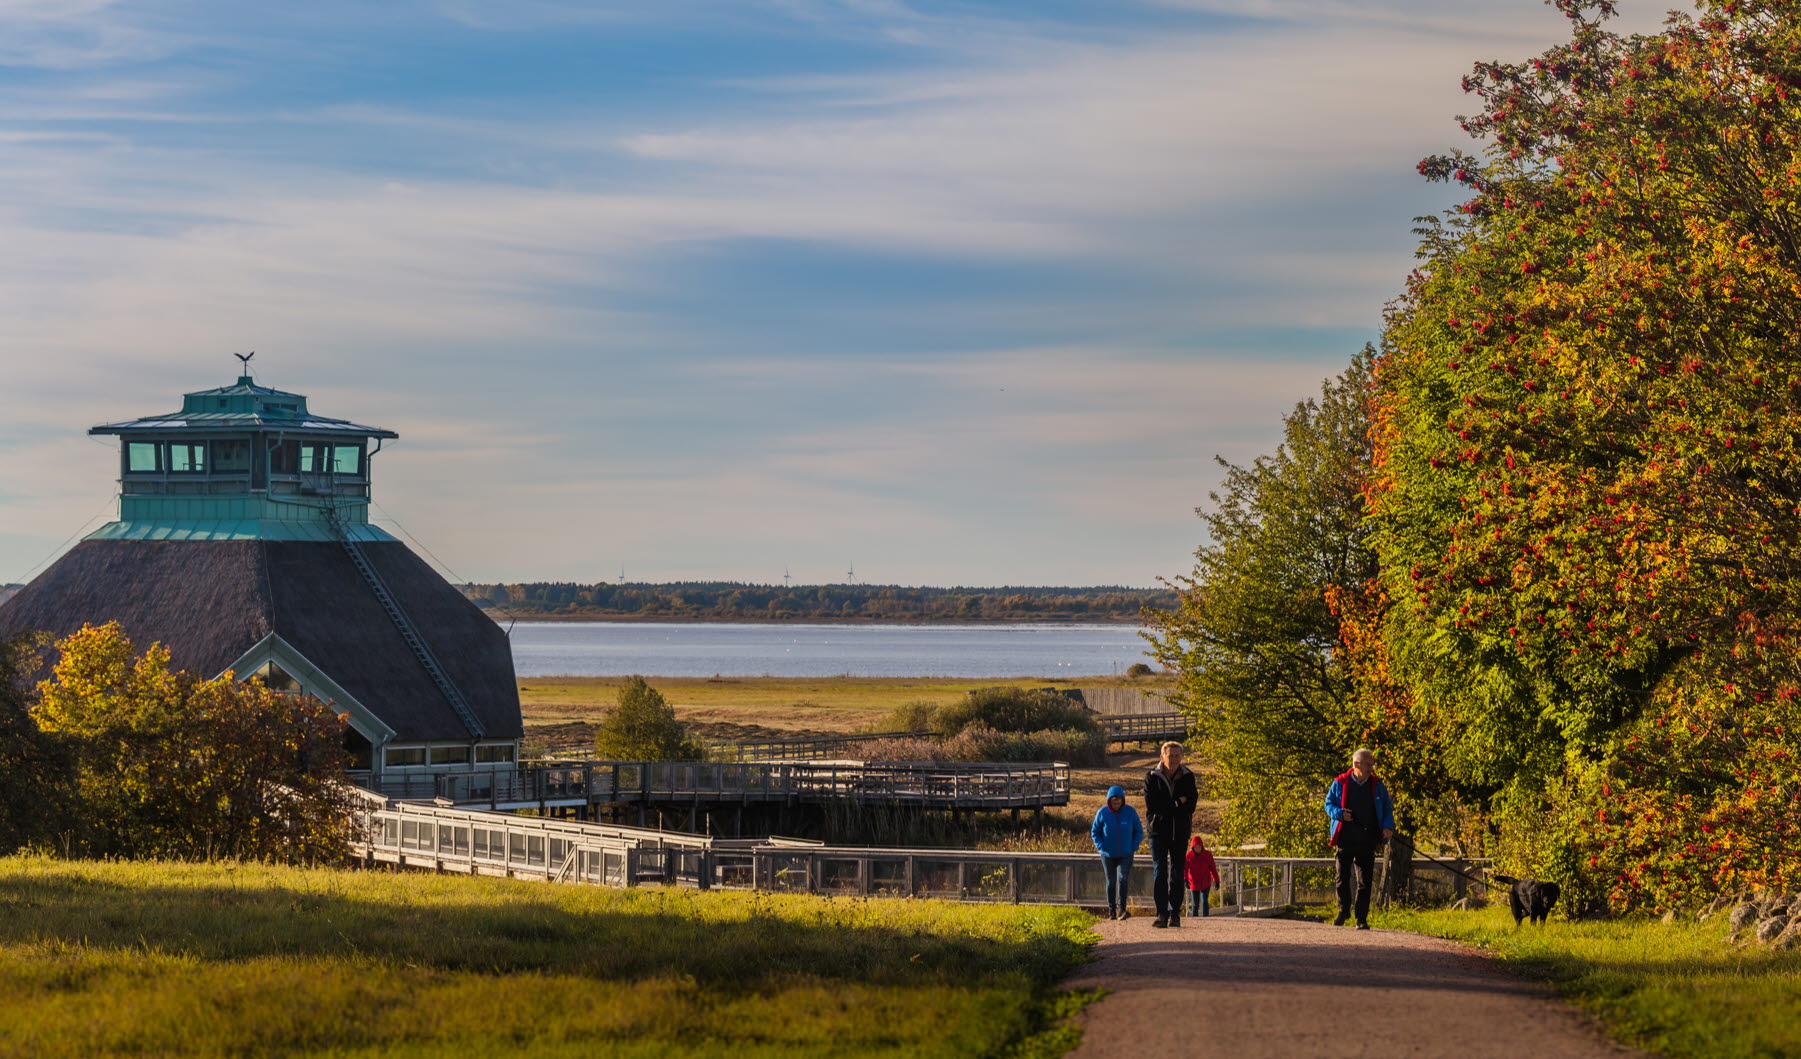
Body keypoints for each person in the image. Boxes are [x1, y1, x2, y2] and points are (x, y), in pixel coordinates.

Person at [1324, 746, 1396, 930]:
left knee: (1365, 881)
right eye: (1368, 764)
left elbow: (1387, 808)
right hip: (1345, 837)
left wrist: (1388, 827)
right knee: (1342, 877)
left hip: (1368, 838)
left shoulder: (1377, 786)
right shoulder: (1340, 783)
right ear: (1356, 764)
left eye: (1371, 764)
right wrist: (1340, 813)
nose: (1371, 768)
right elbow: (1328, 805)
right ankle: (1343, 911)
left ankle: (1361, 918)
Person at [1144, 741, 1198, 928]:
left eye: (1177, 756)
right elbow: (1153, 806)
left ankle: (1175, 912)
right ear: (1162, 757)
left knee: (1177, 873)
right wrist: (1177, 803)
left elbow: (1191, 805)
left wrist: (1170, 806)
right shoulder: (1151, 777)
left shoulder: (1188, 777)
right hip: (1158, 832)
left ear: (1181, 757)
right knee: (1160, 872)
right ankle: (1161, 913)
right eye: (1170, 756)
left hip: (1180, 832)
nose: (1174, 759)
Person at [1090, 785, 1143, 920]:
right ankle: (1111, 910)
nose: (1116, 803)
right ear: (1109, 801)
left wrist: (1134, 845)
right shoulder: (1102, 813)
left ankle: (1122, 909)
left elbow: (1138, 830)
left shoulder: (1130, 812)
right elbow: (1095, 832)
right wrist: (1101, 846)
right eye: (1114, 800)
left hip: (1126, 854)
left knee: (1123, 879)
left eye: (1119, 800)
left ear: (1122, 800)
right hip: (1108, 855)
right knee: (1111, 881)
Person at [1185, 834, 1219, 918]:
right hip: (1194, 882)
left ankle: (1206, 918)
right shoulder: (1189, 855)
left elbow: (1213, 868)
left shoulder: (1207, 855)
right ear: (1192, 847)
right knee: (1195, 903)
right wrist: (1185, 879)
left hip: (1205, 881)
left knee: (1204, 901)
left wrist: (1216, 880)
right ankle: (1195, 919)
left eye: (1199, 847)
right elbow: (1185, 869)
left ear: (1202, 846)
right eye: (1196, 847)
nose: (1198, 848)